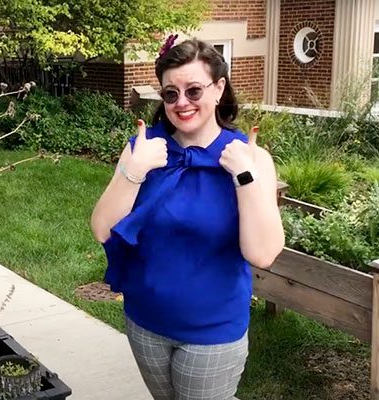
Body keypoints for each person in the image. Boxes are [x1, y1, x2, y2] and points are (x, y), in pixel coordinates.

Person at [89, 37, 285, 400]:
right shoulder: (143, 149)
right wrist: (135, 170)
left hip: (212, 331)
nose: (182, 103)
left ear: (219, 88)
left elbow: (263, 254)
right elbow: (103, 229)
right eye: (170, 93)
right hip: (144, 321)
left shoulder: (250, 159)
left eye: (194, 90)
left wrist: (244, 176)